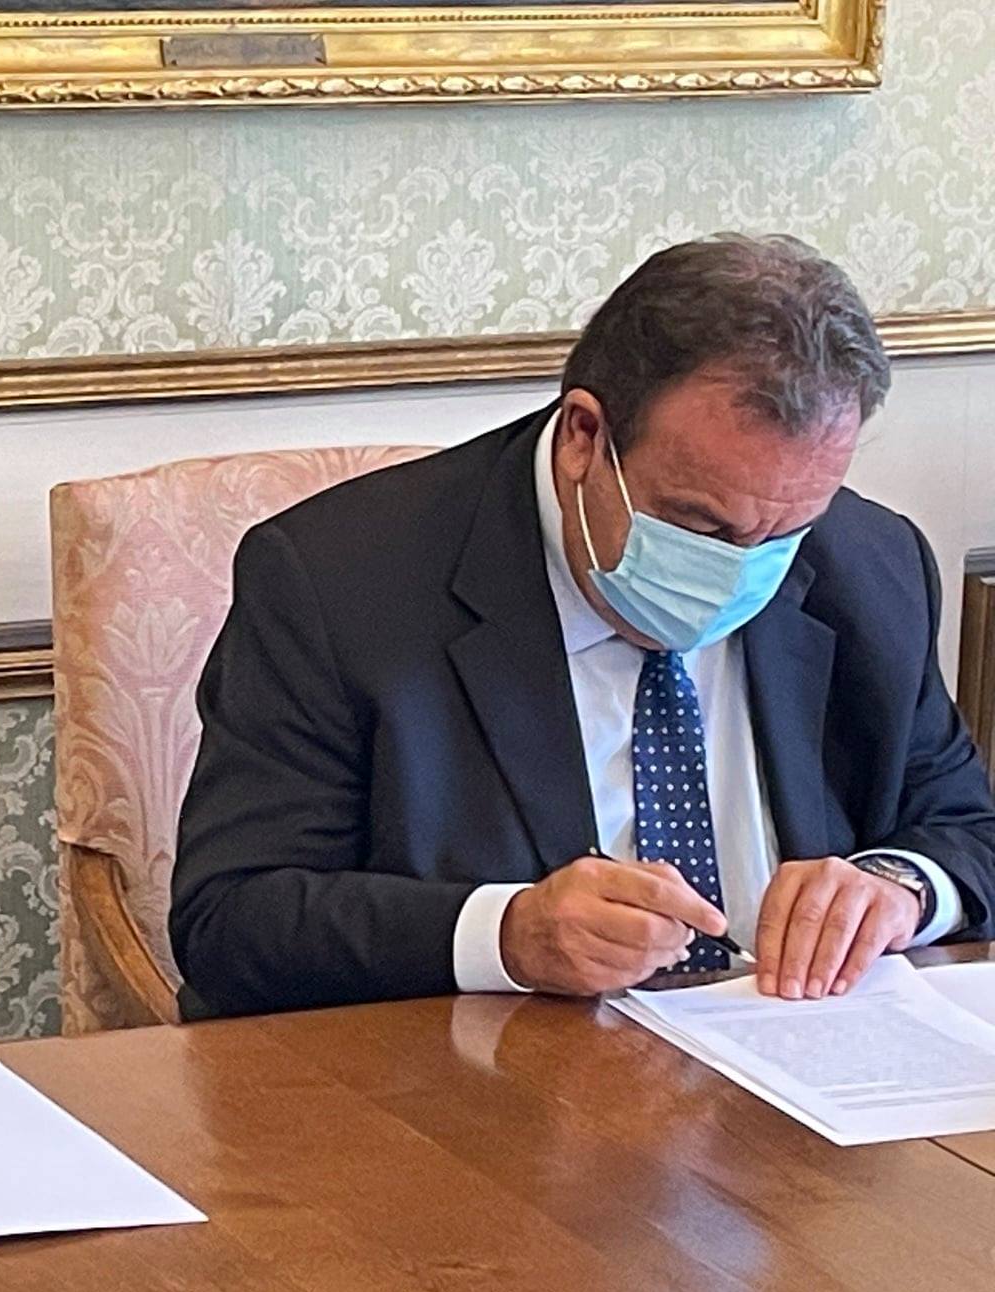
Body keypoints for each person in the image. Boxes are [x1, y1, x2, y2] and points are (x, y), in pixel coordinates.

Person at [170, 234, 995, 1018]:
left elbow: (970, 829)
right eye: (700, 525)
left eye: (783, 533)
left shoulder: (870, 566)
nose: (740, 569)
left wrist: (902, 886)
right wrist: (506, 935)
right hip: (481, 1085)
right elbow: (232, 921)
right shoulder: (338, 581)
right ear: (584, 437)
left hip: (796, 1066)